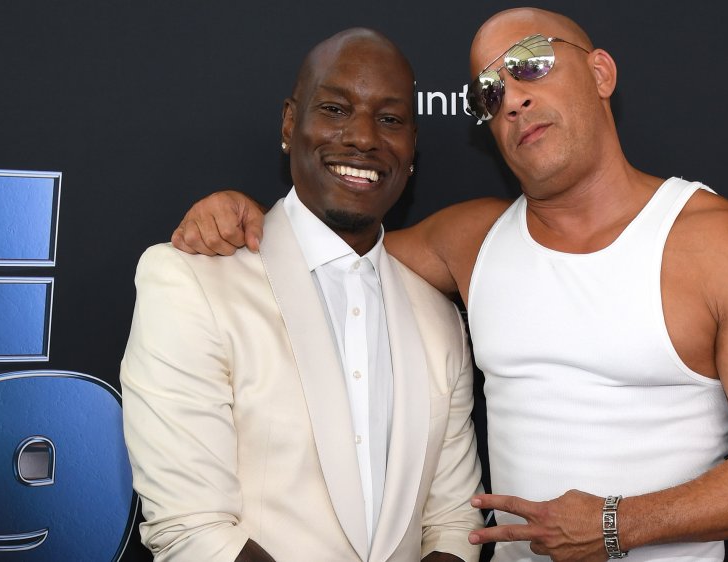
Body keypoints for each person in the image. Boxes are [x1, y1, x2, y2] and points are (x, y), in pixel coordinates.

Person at [171, 8, 728, 562]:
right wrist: (236, 214)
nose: (513, 97)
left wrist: (616, 524)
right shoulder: (469, 242)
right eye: (489, 92)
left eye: (529, 63)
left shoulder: (719, 245)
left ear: (601, 71)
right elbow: (322, 253)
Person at [120, 28, 483, 562]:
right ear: (291, 122)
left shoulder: (439, 318)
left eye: (389, 119)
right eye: (336, 109)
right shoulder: (190, 281)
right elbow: (192, 530)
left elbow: (453, 523)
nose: (363, 138)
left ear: (412, 147)